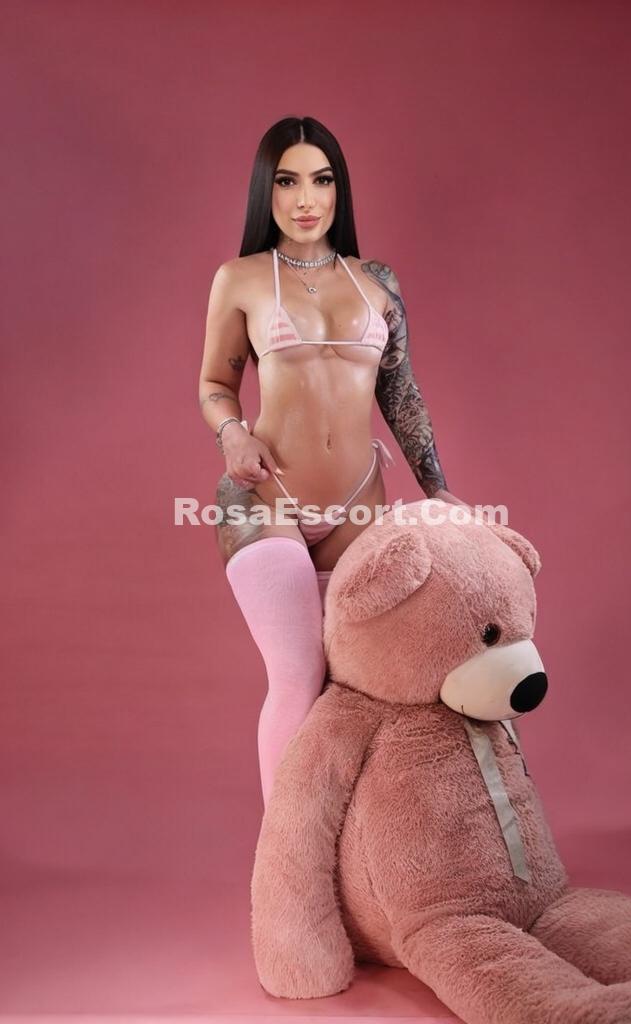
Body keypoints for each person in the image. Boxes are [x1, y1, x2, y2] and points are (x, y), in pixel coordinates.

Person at [198, 115, 470, 809]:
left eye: (321, 180)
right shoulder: (241, 279)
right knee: (297, 673)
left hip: (358, 504)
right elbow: (215, 383)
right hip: (265, 498)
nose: (305, 199)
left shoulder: (375, 282)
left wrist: (438, 489)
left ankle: (349, 850)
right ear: (266, 191)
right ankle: (285, 856)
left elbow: (400, 393)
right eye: (287, 182)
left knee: (351, 684)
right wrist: (231, 434)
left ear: (339, 189)